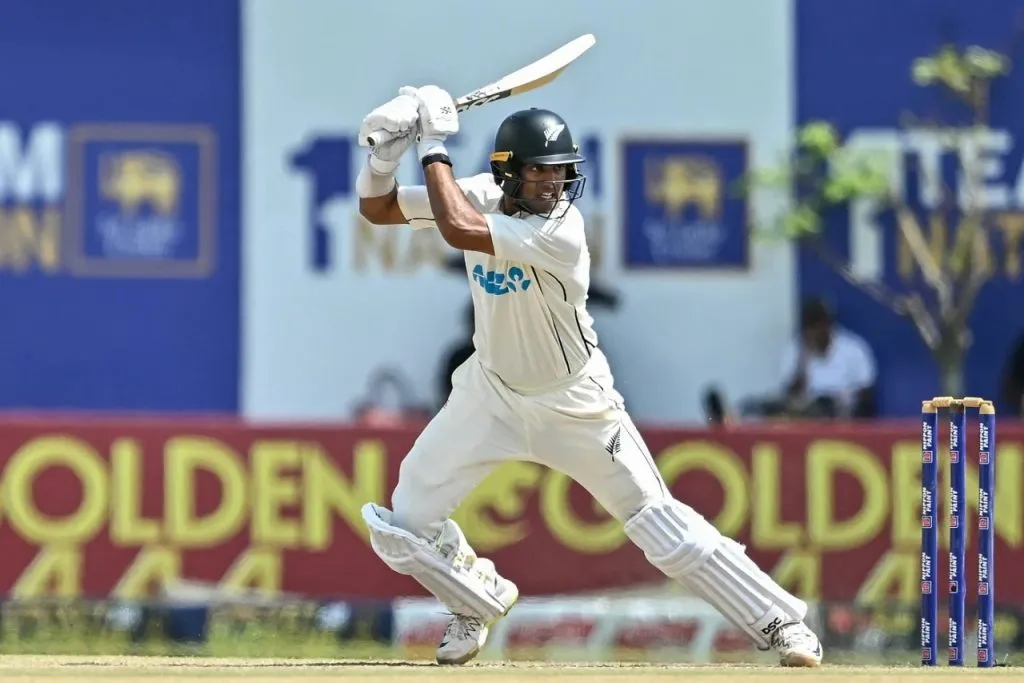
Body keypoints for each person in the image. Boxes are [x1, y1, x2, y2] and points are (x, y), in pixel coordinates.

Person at [354, 85, 823, 667]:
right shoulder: (477, 194)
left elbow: (457, 229)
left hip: (576, 403)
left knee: (659, 525)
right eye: (539, 175)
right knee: (404, 521)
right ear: (506, 174)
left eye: (561, 174)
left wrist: (430, 142)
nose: (553, 187)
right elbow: (377, 209)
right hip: (491, 394)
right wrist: (383, 155)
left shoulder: (561, 229)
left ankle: (782, 624)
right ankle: (475, 598)